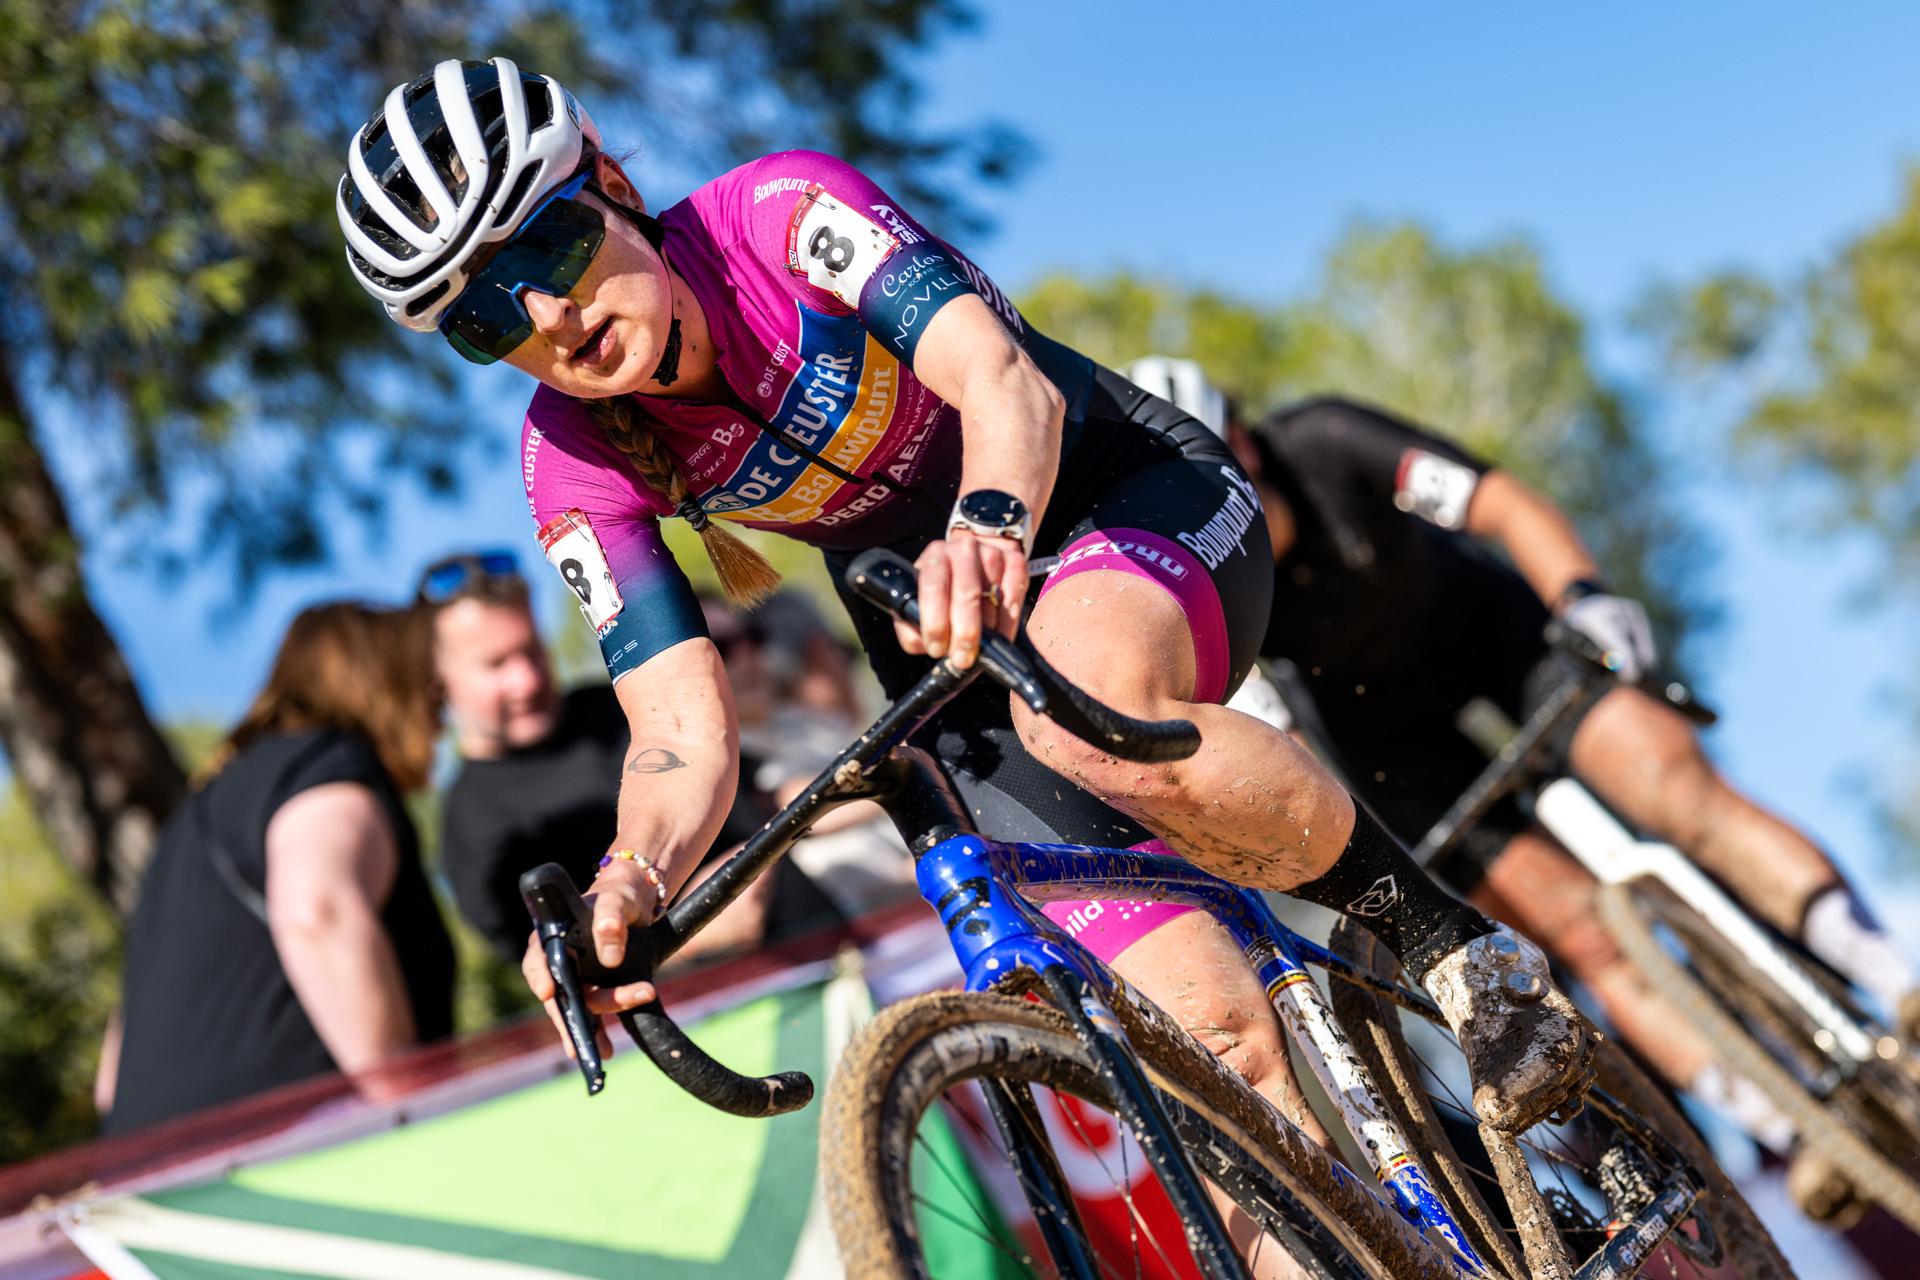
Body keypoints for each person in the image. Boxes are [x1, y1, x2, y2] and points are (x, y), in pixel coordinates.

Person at [336, 58, 1597, 1142]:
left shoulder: (781, 213)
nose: (549, 312)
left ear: (609, 180)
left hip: (1111, 493)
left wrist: (987, 522)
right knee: (1216, 1055)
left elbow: (1001, 380)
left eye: (548, 249)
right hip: (945, 636)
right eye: (487, 315)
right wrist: (632, 880)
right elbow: (677, 730)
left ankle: (1461, 953)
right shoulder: (568, 459)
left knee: (1084, 707)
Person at [1124, 355, 1919, 1214]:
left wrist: (1583, 599)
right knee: (1585, 939)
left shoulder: (1324, 440)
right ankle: (1790, 1129)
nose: (1218, 510)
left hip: (1496, 639)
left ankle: (1892, 981)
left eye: (1221, 471)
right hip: (1389, 745)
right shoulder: (1205, 580)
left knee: (1676, 791)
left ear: (1243, 437)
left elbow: (1501, 503)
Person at [99, 602, 454, 1134]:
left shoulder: (197, 816)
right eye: (429, 684)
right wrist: (416, 1112)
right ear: (386, 681)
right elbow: (317, 916)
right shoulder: (327, 770)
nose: (440, 709)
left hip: (145, 1175)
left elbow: (113, 1070)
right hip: (286, 1159)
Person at [424, 551, 841, 963]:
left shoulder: (614, 705)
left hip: (841, 943)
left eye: (531, 651)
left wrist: (861, 781)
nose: (526, 680)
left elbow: (769, 794)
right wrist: (690, 926)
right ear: (439, 681)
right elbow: (559, 966)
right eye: (496, 665)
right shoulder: (472, 822)